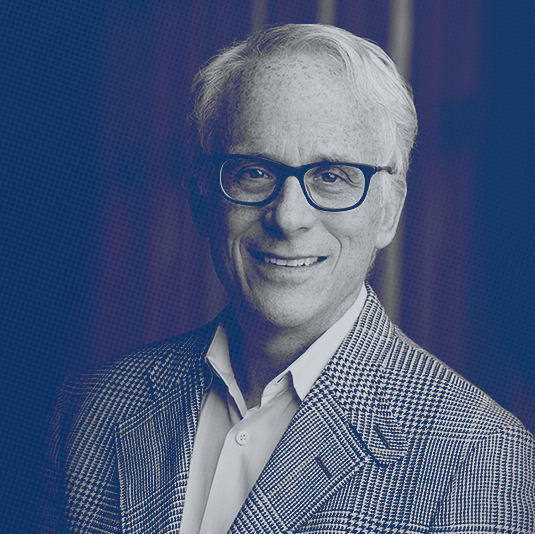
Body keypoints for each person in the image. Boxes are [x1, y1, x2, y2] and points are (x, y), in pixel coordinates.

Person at [40, 24, 534, 533]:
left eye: (332, 176)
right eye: (255, 172)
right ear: (202, 197)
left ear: (389, 210)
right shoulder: (90, 410)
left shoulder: (481, 461)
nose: (289, 217)